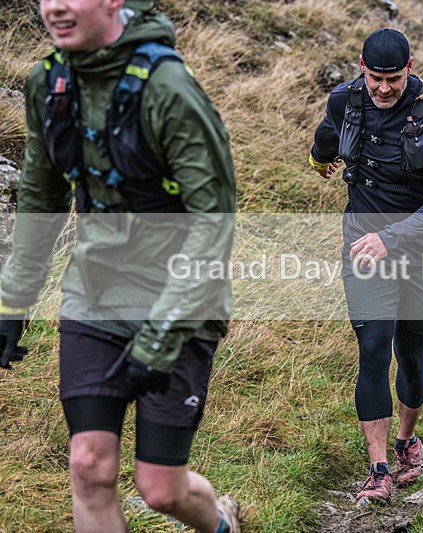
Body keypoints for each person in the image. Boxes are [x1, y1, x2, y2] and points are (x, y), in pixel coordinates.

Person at [0, 1, 240, 532]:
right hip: (95, 293)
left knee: (160, 488)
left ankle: (221, 521)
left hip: (181, 299)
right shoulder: (49, 83)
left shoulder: (168, 88)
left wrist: (160, 335)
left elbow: (214, 220)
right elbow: (41, 196)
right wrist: (13, 300)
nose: (55, 7)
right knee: (89, 465)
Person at [308, 28, 423, 504]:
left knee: (411, 351)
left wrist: (392, 238)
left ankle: (406, 439)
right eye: (375, 78)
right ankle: (378, 470)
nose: (383, 88)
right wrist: (320, 160)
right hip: (363, 245)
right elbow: (325, 136)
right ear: (362, 66)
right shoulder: (346, 101)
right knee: (374, 349)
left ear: (410, 68)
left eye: (393, 79)